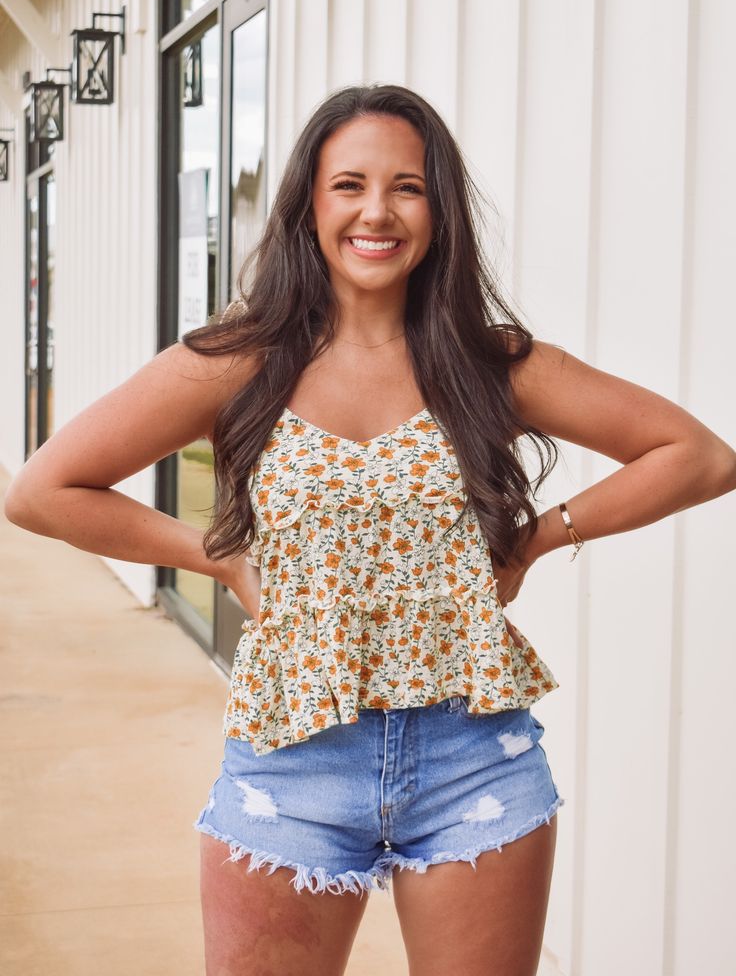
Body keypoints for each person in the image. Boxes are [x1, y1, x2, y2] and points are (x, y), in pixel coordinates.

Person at [4, 83, 735, 976]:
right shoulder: (238, 361)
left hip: (475, 759)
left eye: (409, 187)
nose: (377, 212)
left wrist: (540, 535)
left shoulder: (489, 362)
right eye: (349, 184)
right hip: (291, 762)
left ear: (440, 211)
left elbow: (698, 455)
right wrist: (216, 559)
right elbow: (43, 489)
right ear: (310, 204)